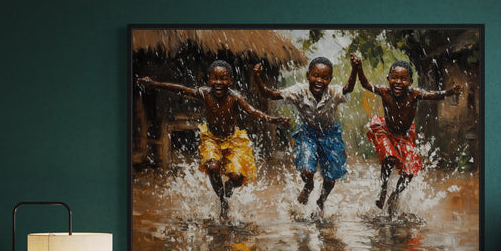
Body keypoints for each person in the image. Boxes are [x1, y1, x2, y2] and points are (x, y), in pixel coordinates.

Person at [137, 60, 291, 220]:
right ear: (209, 79)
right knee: (212, 167)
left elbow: (254, 113)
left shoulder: (235, 98)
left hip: (233, 141)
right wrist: (154, 83)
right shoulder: (205, 93)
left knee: (237, 177)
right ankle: (223, 201)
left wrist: (275, 120)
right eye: (214, 78)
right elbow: (181, 89)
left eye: (223, 78)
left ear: (230, 80)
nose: (218, 83)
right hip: (212, 139)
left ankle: (229, 186)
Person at [353, 55, 462, 215]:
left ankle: (395, 196)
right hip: (386, 132)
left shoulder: (414, 94)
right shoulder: (384, 92)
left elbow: (434, 95)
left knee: (410, 171)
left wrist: (449, 92)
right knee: (389, 157)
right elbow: (365, 84)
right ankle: (383, 190)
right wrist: (358, 67)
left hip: (404, 136)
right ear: (388, 78)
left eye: (403, 79)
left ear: (410, 82)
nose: (398, 82)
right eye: (394, 78)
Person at [252, 55, 357, 211]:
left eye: (325, 77)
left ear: (330, 79)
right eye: (315, 75)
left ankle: (321, 200)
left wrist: (355, 69)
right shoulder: (299, 91)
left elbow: (348, 88)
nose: (319, 81)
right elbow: (270, 95)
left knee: (330, 178)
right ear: (308, 75)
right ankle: (308, 186)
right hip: (309, 134)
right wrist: (257, 78)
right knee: (307, 170)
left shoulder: (334, 92)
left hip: (330, 135)